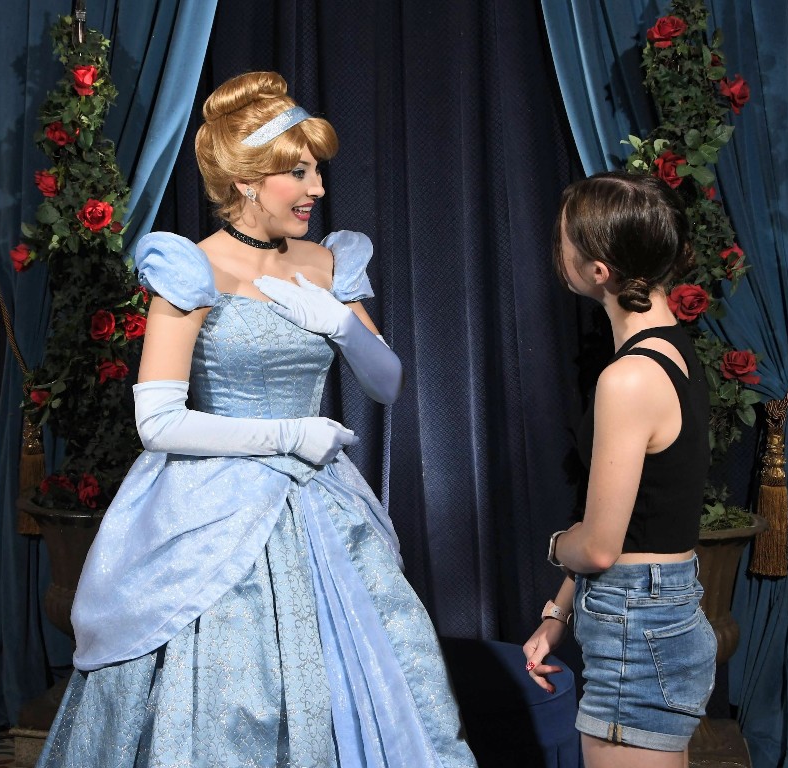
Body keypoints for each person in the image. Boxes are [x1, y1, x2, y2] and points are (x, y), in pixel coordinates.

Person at [36, 71, 477, 768]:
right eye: (298, 173)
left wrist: (341, 324)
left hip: (321, 505)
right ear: (246, 181)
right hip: (209, 510)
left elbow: (387, 384)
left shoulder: (330, 261)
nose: (317, 190)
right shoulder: (192, 269)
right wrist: (287, 436)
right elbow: (158, 423)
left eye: (316, 171)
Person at [522, 171, 717, 768]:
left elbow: (600, 546)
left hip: (639, 626)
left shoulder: (628, 377)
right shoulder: (672, 349)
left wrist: (557, 546)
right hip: (650, 612)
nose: (559, 250)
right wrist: (557, 613)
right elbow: (625, 525)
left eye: (564, 239)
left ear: (599, 271)